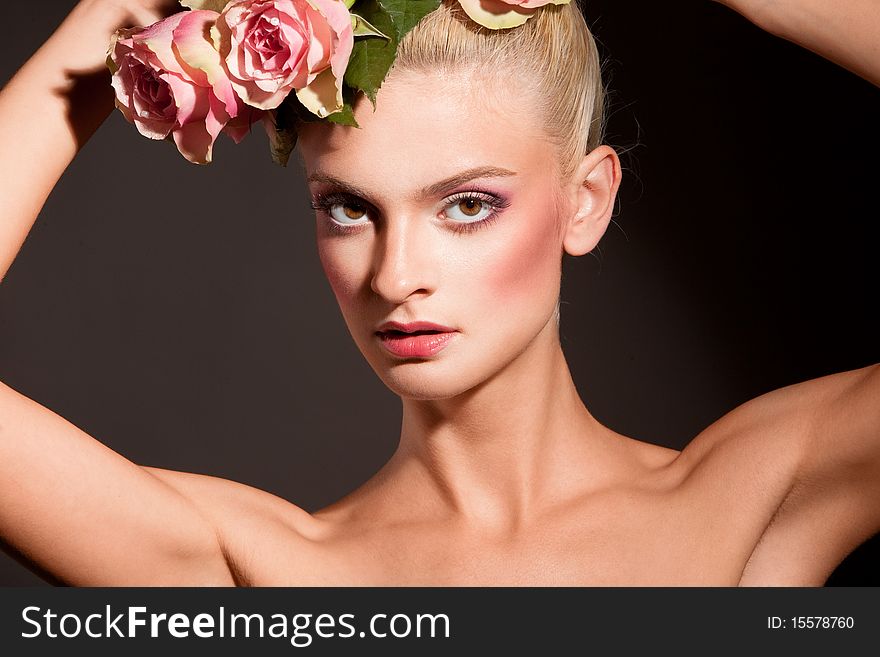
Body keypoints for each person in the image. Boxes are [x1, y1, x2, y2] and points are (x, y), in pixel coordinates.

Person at [0, 0, 877, 586]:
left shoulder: (762, 493)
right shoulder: (256, 569)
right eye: (349, 209)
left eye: (466, 204)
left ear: (586, 202)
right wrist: (123, 14)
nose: (393, 276)